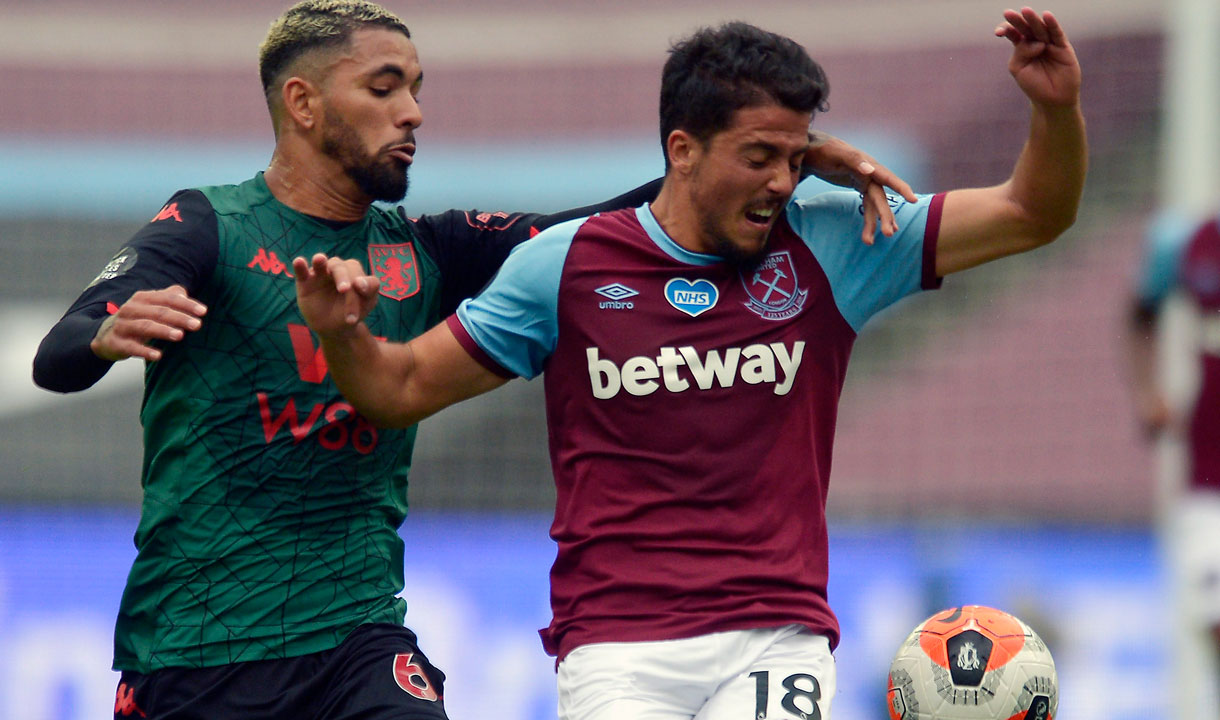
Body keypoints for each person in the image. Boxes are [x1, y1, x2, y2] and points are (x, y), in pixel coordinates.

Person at [29, 1, 911, 718]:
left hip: (358, 634)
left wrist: (778, 161)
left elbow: (599, 226)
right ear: (303, 104)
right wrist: (103, 335)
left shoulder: (428, 249)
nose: (412, 110)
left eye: (416, 87)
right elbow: (57, 356)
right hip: (199, 643)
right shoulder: (209, 228)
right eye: (384, 88)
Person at [295, 7, 1085, 719]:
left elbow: (1031, 212)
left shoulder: (836, 239)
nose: (781, 181)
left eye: (795, 157)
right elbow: (397, 391)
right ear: (682, 149)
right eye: (759, 157)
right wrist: (341, 335)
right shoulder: (565, 268)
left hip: (777, 636)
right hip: (617, 647)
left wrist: (1054, 109)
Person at [1127, 208, 1220, 718]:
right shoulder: (1187, 242)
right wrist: (1147, 393)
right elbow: (1141, 312)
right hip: (1209, 474)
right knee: (1214, 616)